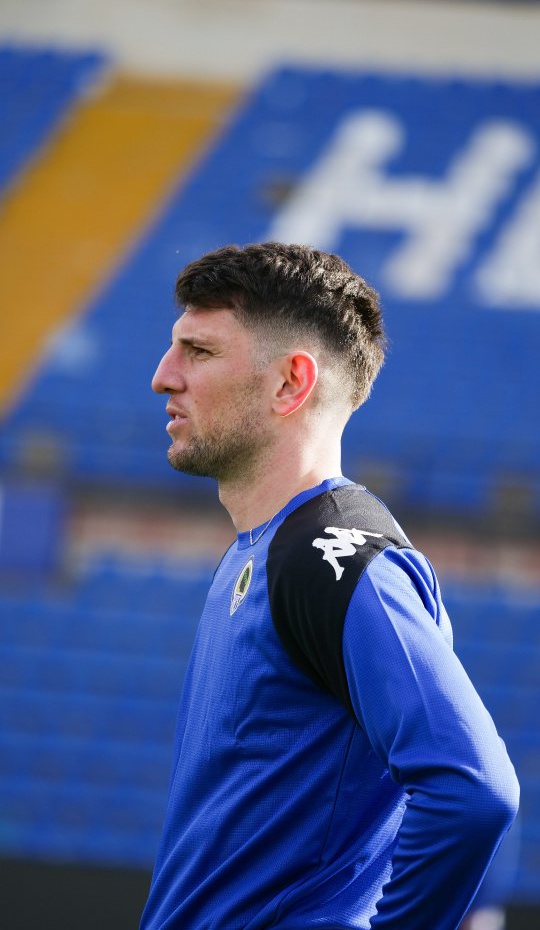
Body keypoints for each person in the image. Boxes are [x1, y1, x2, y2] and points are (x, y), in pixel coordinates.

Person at [141, 243, 519, 930]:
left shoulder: (334, 558)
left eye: (198, 351)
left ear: (291, 383)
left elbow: (473, 791)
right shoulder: (265, 550)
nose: (163, 377)